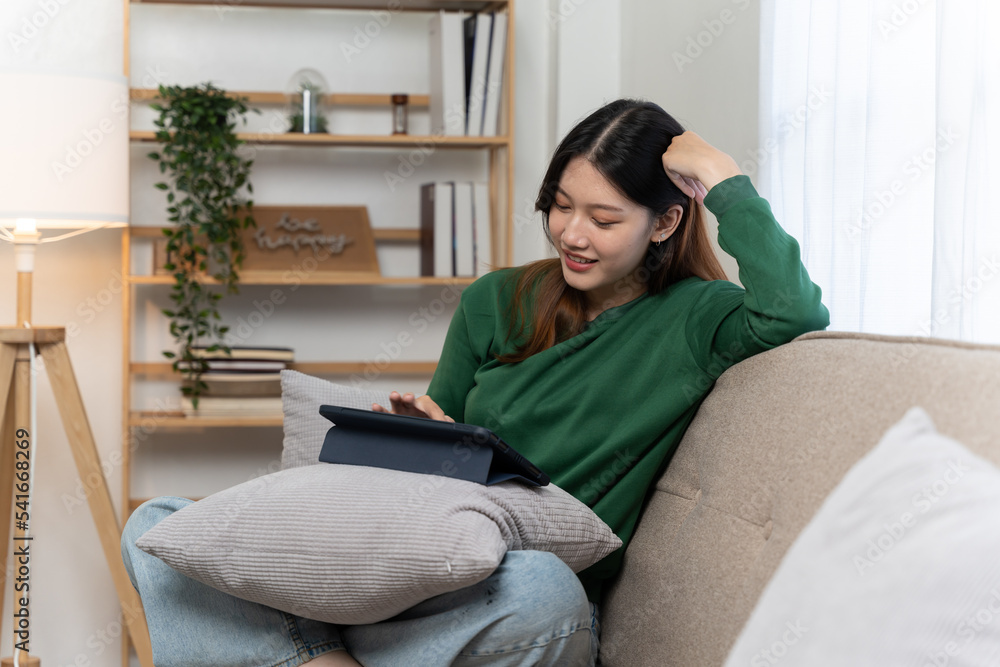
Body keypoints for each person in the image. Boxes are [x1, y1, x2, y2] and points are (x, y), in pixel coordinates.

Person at [121, 99, 829, 667]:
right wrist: (425, 435)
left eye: (604, 218)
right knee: (157, 525)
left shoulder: (696, 320)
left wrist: (724, 178)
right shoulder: (495, 299)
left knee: (545, 586)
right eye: (560, 205)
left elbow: (794, 309)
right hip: (423, 574)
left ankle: (307, 648)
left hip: (501, 594)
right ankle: (321, 654)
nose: (571, 233)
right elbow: (446, 454)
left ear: (667, 220)